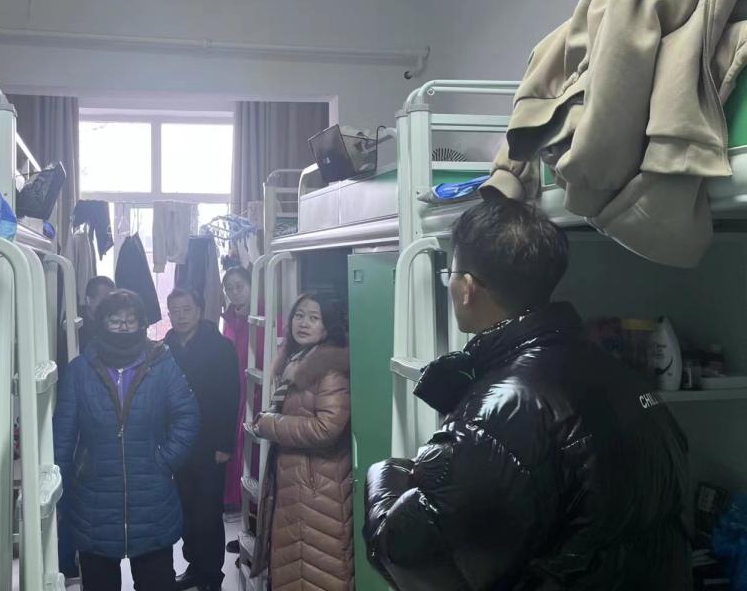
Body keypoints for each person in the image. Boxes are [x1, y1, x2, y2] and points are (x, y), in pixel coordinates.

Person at [364, 199, 691, 590]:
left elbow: (411, 557)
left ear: (466, 288)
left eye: (451, 274)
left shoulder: (497, 413)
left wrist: (384, 476)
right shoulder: (621, 375)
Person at [54, 289, 200, 591]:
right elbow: (63, 434)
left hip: (152, 497)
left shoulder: (161, 364)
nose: (123, 327)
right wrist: (65, 484)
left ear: (142, 324)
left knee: (156, 583)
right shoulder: (80, 370)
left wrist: (165, 460)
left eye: (130, 320)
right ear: (101, 323)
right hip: (94, 498)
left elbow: (187, 416)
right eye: (115, 320)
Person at [250, 294, 354, 591]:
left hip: (318, 484)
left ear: (327, 326)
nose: (303, 323)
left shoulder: (330, 368)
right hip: (299, 479)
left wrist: (269, 424)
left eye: (313, 317)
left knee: (316, 568)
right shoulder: (298, 359)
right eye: (299, 315)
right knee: (295, 565)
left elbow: (327, 428)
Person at [165, 288, 240, 591]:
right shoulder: (166, 347)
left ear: (199, 311)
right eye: (175, 311)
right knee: (185, 510)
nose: (180, 316)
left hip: (210, 443)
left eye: (186, 309)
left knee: (208, 513)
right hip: (177, 443)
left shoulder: (220, 346)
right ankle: (194, 566)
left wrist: (224, 444)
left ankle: (211, 576)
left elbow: (230, 396)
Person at [220, 265, 263, 513]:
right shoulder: (229, 320)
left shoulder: (264, 318)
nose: (235, 293)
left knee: (251, 450)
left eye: (239, 287)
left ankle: (250, 509)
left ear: (251, 286)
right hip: (232, 390)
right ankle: (235, 501)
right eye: (229, 289)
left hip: (254, 392)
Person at [78, 275, 116, 354]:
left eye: (112, 300)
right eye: (105, 300)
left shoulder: (115, 322)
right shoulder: (76, 327)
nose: (110, 304)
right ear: (89, 300)